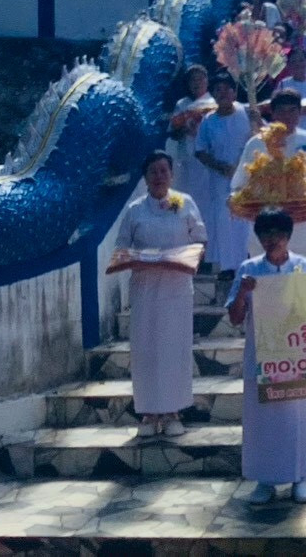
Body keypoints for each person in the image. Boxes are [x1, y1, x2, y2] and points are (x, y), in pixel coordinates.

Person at [225, 208, 306, 504]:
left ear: (288, 235)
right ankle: (264, 481)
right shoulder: (249, 268)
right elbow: (235, 318)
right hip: (261, 357)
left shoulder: (303, 266)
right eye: (265, 233)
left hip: (295, 357)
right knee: (262, 422)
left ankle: (300, 478)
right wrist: (243, 292)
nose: (272, 239)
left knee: (296, 419)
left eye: (277, 233)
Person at [113, 151, 207, 437]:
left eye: (164, 171)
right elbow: (121, 248)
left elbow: (200, 241)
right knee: (146, 351)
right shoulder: (135, 211)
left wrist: (185, 259)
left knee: (174, 350)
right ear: (145, 177)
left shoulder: (185, 203)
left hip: (176, 291)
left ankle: (172, 412)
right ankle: (148, 414)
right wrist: (141, 259)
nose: (159, 177)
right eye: (153, 171)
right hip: (145, 291)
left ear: (172, 175)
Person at [231, 90, 306, 268]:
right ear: (272, 113)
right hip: (266, 230)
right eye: (281, 111)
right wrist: (236, 202)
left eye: (292, 110)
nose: (286, 116)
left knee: (305, 280)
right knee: (264, 280)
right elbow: (238, 185)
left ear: (300, 112)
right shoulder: (256, 144)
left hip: (304, 227)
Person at [193, 74, 255, 279]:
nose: (223, 93)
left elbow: (260, 139)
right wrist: (219, 166)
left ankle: (247, 263)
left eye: (227, 89)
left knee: (246, 220)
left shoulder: (247, 113)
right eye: (218, 90)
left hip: (247, 178)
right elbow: (200, 150)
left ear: (234, 92)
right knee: (224, 222)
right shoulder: (209, 121)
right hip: (220, 179)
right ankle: (228, 267)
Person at [168, 64, 215, 199]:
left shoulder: (214, 104)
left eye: (200, 79)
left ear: (207, 81)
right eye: (193, 80)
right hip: (185, 160)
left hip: (206, 161)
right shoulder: (182, 104)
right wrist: (184, 128)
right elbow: (173, 133)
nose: (197, 83)